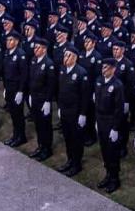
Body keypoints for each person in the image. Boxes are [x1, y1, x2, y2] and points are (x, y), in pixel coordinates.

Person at [56, 45, 90, 177]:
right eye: (65, 55)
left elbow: (85, 96)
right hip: (64, 110)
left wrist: (83, 114)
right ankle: (70, 160)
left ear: (75, 58)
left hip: (75, 112)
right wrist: (59, 107)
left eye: (68, 55)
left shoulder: (81, 73)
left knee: (76, 139)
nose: (66, 58)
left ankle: (77, 164)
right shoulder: (63, 70)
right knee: (67, 137)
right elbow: (61, 90)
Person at [95, 58, 125, 194]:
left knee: (112, 152)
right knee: (104, 150)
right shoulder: (99, 81)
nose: (103, 70)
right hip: (101, 120)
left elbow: (119, 110)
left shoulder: (117, 85)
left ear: (113, 69)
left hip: (111, 122)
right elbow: (97, 103)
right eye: (103, 67)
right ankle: (108, 174)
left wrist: (115, 128)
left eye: (106, 68)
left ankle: (114, 179)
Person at [28, 37, 57, 162]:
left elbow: (51, 85)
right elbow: (31, 79)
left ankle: (47, 149)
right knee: (38, 124)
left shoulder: (49, 64)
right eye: (34, 47)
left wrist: (47, 101)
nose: (35, 50)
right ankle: (41, 146)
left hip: (43, 99)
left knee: (45, 125)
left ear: (44, 49)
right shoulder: (34, 60)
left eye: (38, 48)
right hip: (34, 97)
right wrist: (30, 94)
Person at [3, 31, 28, 147]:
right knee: (13, 113)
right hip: (9, 87)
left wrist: (20, 91)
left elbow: (24, 75)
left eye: (11, 40)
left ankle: (21, 137)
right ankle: (15, 135)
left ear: (17, 42)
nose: (8, 42)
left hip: (16, 88)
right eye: (7, 40)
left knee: (18, 114)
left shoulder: (20, 55)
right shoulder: (7, 53)